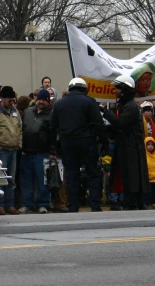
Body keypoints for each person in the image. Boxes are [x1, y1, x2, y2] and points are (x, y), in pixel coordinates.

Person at [49, 77, 105, 212]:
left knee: (71, 174)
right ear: (84, 89)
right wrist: (104, 142)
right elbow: (99, 124)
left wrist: (53, 147)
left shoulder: (59, 104)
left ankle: (73, 205)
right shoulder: (90, 102)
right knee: (93, 173)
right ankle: (95, 205)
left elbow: (52, 128)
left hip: (67, 143)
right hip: (87, 142)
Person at [101, 76, 149, 210]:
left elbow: (121, 123)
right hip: (126, 144)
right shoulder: (126, 105)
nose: (115, 90)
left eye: (118, 88)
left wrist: (105, 112)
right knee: (127, 174)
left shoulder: (131, 106)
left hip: (131, 146)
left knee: (132, 175)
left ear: (125, 90)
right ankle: (134, 202)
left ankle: (133, 203)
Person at [0, 86, 22, 215]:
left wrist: (19, 143)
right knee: (0, 179)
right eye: (10, 100)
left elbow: (19, 128)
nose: (12, 103)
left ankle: (10, 205)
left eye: (13, 100)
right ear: (3, 98)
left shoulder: (14, 111)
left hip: (13, 150)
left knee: (11, 179)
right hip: (1, 150)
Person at [20, 89, 55, 214]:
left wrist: (52, 151)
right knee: (26, 180)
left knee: (42, 180)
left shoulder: (51, 115)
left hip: (42, 152)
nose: (40, 102)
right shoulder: (28, 112)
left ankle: (42, 203)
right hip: (26, 151)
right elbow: (21, 128)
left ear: (48, 101)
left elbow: (53, 135)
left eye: (43, 100)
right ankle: (27, 204)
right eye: (39, 99)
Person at [143, 136, 155, 209]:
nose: (150, 146)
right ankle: (145, 203)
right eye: (148, 144)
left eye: (152, 145)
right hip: (149, 177)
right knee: (147, 193)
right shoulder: (144, 155)